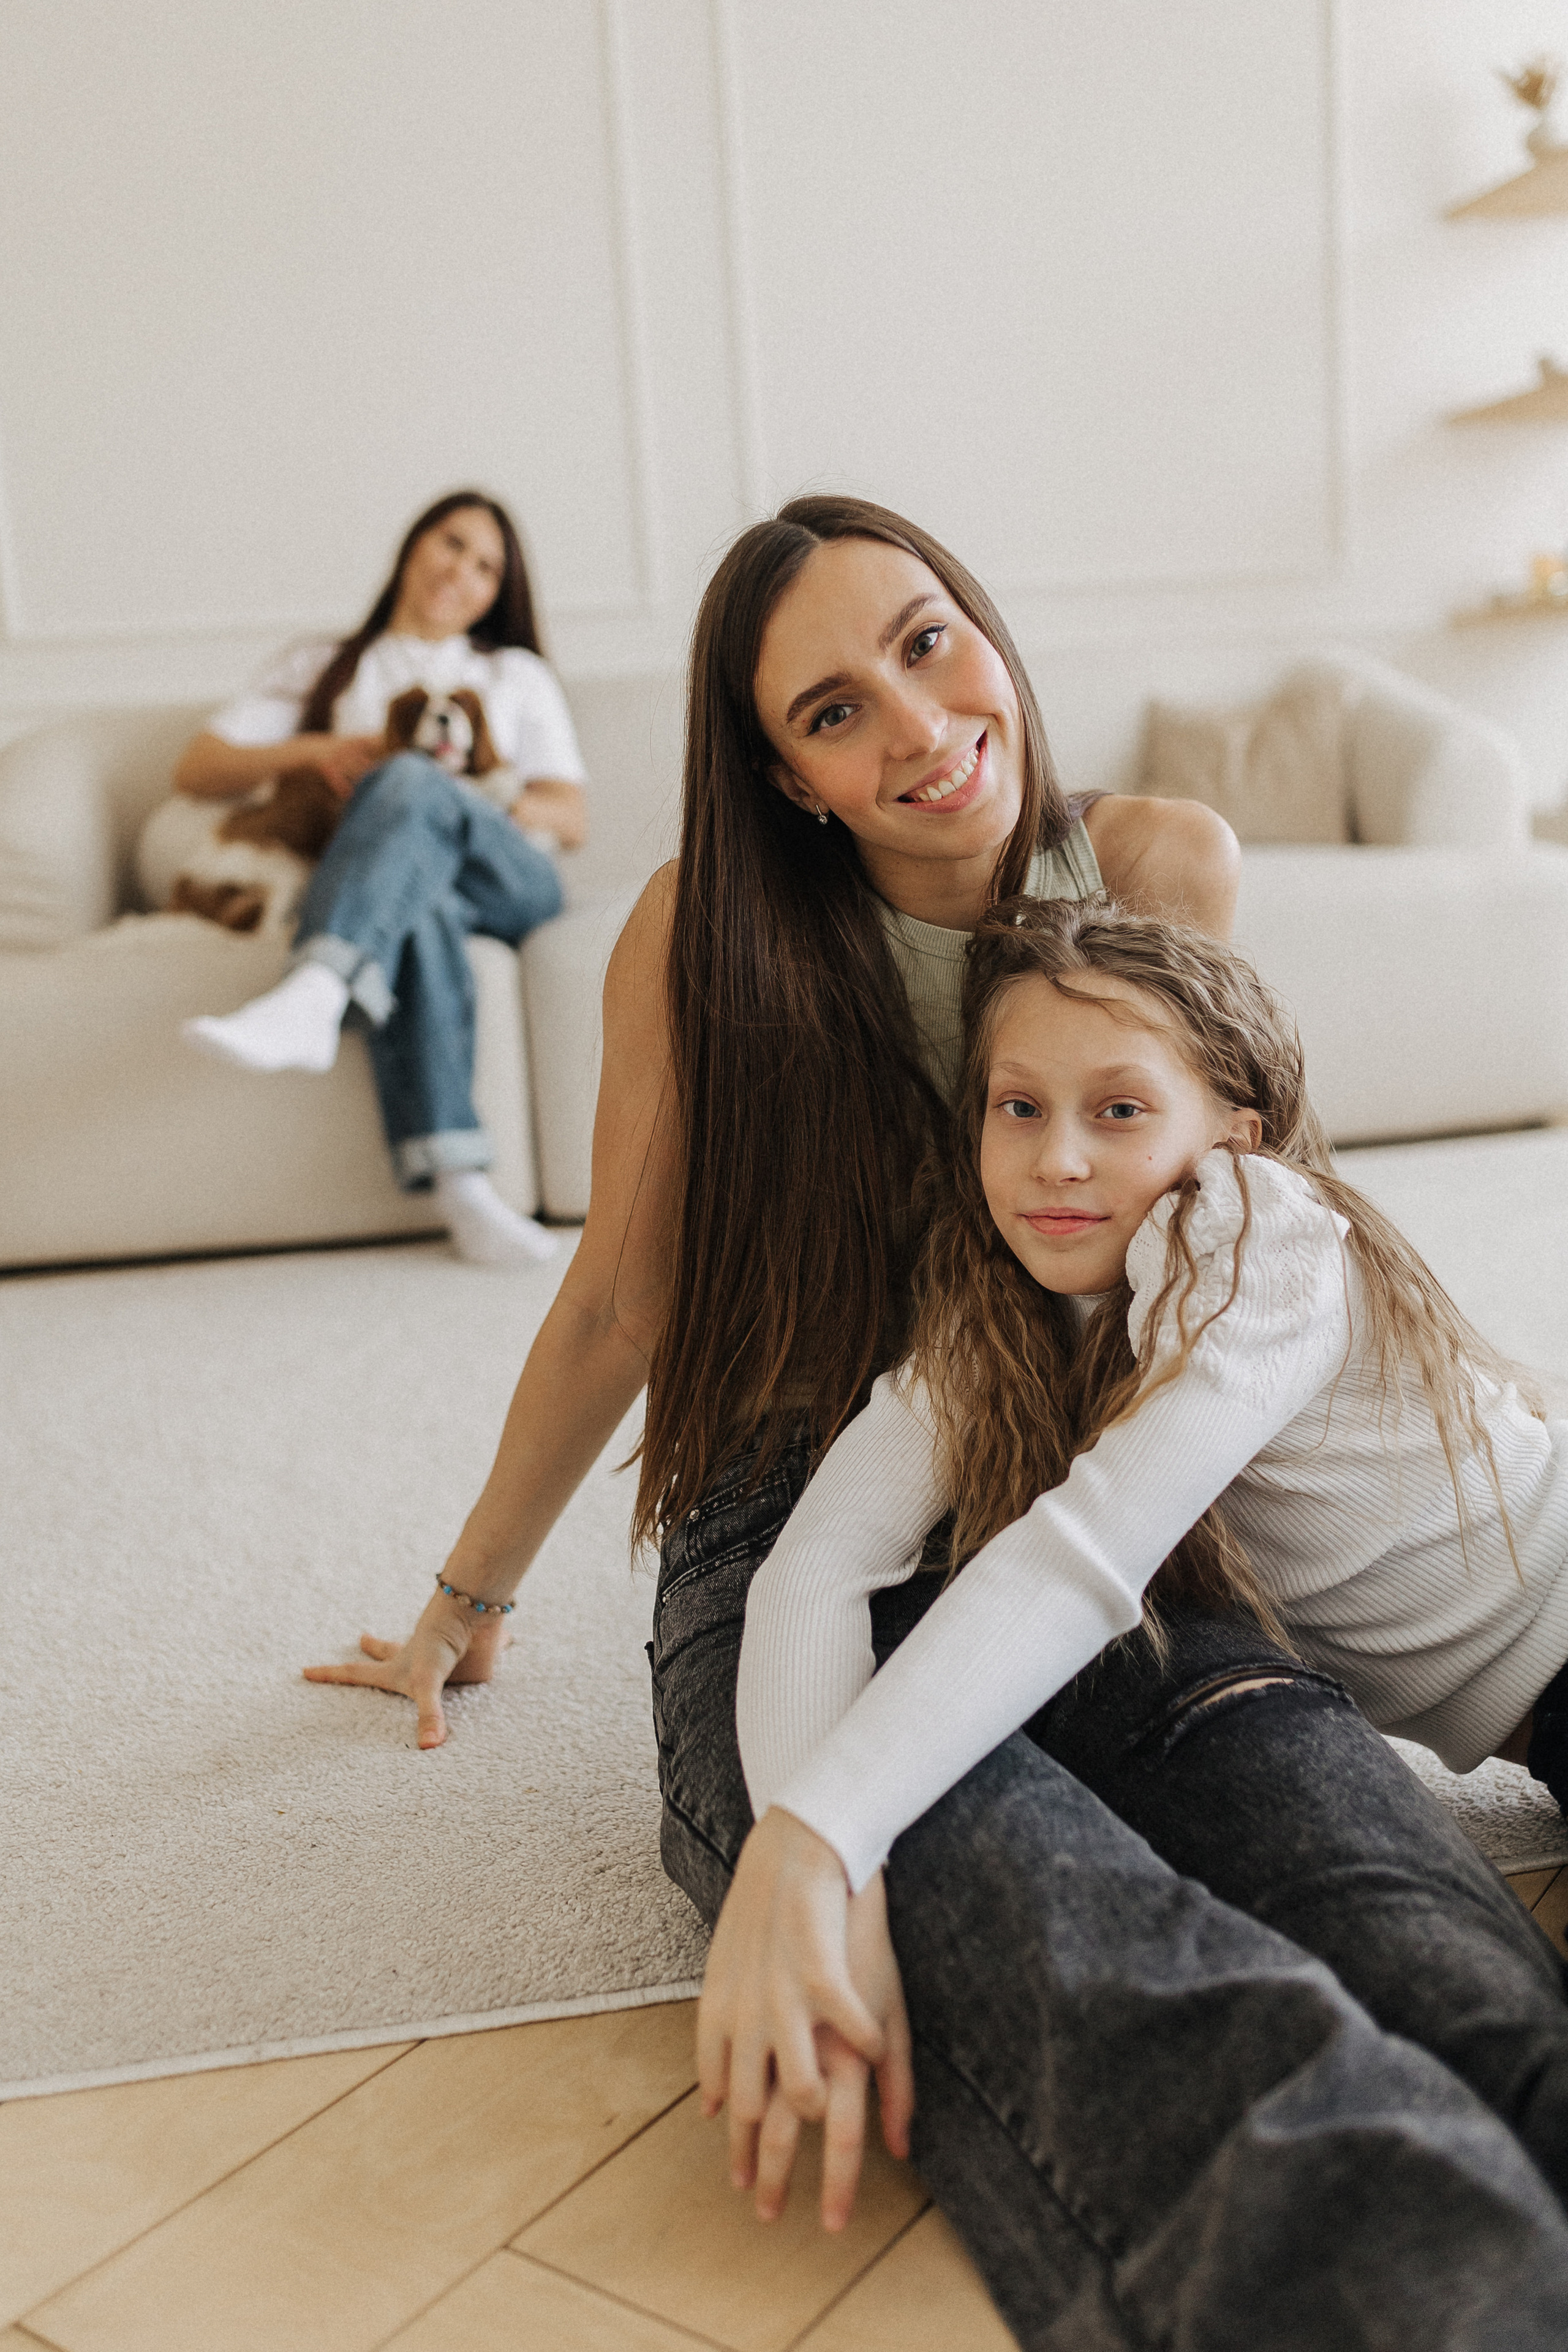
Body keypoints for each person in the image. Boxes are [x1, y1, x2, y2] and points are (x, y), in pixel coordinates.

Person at [306, 497, 1568, 2344]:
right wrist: (467, 1596)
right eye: (831, 711)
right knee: (1097, 1961)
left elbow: (1222, 1237)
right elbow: (618, 1302)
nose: (913, 725)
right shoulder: (700, 929)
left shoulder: (1156, 860)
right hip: (795, 1497)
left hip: (1096, 1484)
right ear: (784, 774)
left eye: (924, 641)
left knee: (1423, 1945)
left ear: (980, 621)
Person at [176, 491, 586, 1267]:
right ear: (413, 544)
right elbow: (198, 768)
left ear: (498, 593)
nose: (461, 571)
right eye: (452, 543)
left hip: (508, 878)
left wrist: (450, 796)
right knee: (419, 902)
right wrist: (319, 752)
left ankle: (317, 987)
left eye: (487, 567)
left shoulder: (512, 673)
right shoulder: (323, 665)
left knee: (410, 782)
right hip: (407, 890)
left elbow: (571, 816)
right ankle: (462, 1188)